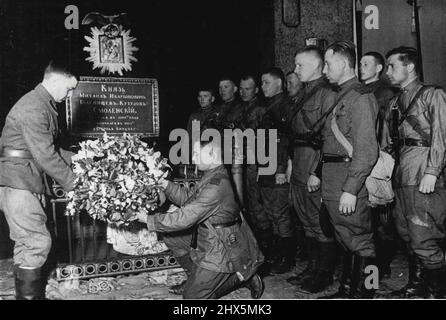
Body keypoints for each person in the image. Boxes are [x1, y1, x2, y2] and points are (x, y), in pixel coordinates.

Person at [138, 139, 264, 299]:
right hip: (207, 234)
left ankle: (240, 277)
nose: (193, 158)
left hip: (221, 245)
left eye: (197, 153)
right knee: (173, 239)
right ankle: (196, 279)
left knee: (192, 297)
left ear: (212, 155)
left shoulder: (217, 185)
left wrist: (148, 219)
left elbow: (185, 217)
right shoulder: (213, 175)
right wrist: (165, 184)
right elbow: (190, 200)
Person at [0, 59, 78, 300]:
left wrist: (83, 158)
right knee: (36, 242)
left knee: (28, 243)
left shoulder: (42, 104)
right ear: (55, 79)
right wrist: (76, 184)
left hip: (24, 179)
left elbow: (50, 149)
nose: (70, 94)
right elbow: (45, 155)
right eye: (69, 88)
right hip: (20, 180)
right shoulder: (34, 107)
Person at [385, 46, 446, 298]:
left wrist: (432, 171)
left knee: (423, 235)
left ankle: (438, 291)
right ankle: (418, 286)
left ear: (409, 67)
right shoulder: (394, 102)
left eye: (392, 66)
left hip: (423, 172)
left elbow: (442, 135)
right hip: (402, 173)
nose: (388, 72)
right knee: (406, 232)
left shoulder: (433, 95)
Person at [320, 41, 379, 298]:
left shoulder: (361, 97)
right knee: (344, 237)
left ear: (343, 64)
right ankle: (347, 289)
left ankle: (367, 292)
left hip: (348, 179)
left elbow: (367, 151)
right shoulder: (340, 95)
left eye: (328, 63)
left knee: (361, 240)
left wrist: (352, 189)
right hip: (333, 179)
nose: (324, 70)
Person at [286, 46, 338, 293]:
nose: (296, 70)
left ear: (317, 65)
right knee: (306, 219)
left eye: (300, 65)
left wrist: (317, 171)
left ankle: (324, 274)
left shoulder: (327, 93)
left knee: (319, 220)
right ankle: (313, 267)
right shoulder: (304, 93)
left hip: (314, 161)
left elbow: (329, 137)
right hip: (299, 161)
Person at [360, 51, 398, 281]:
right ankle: (371, 265)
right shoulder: (362, 91)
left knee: (381, 217)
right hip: (366, 156)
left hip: (378, 158)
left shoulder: (384, 93)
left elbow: (383, 130)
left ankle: (380, 266)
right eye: (361, 64)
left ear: (379, 68)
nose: (361, 67)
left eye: (366, 64)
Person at [257, 67, 295, 274]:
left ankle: (286, 258)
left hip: (276, 167)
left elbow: (285, 139)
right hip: (266, 165)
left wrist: (281, 168)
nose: (262, 87)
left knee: (280, 213)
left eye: (266, 82)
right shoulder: (270, 105)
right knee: (271, 212)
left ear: (279, 83)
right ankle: (278, 254)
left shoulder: (284, 105)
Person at [237, 75, 268, 249]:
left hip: (255, 162)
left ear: (256, 90)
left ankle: (264, 248)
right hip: (243, 162)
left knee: (258, 206)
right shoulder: (241, 108)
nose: (243, 92)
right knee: (247, 205)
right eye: (241, 88)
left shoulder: (261, 109)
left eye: (247, 89)